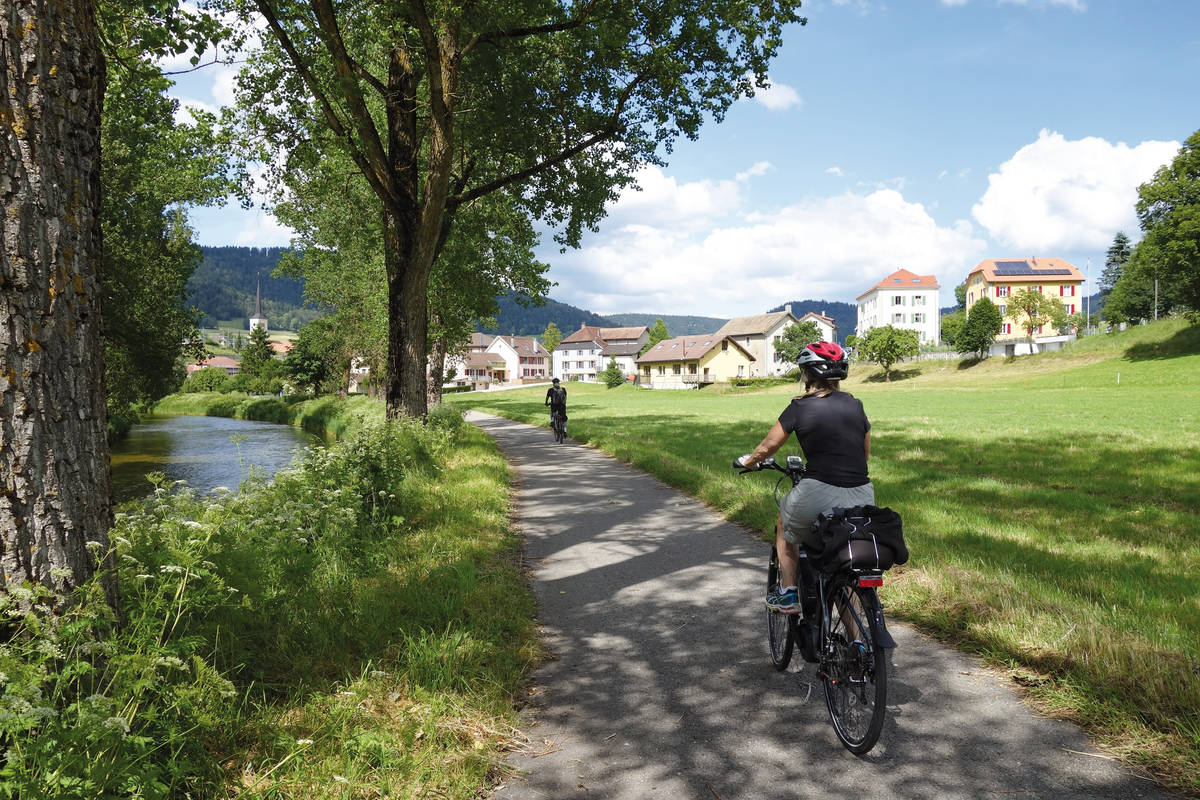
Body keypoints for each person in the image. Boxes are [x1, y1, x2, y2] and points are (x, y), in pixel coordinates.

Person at [734, 342, 874, 613]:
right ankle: (858, 644)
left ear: (807, 373)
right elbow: (865, 454)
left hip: (819, 488)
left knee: (784, 523)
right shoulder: (856, 405)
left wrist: (750, 462)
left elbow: (768, 446)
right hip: (863, 492)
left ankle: (788, 593)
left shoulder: (799, 407)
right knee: (841, 563)